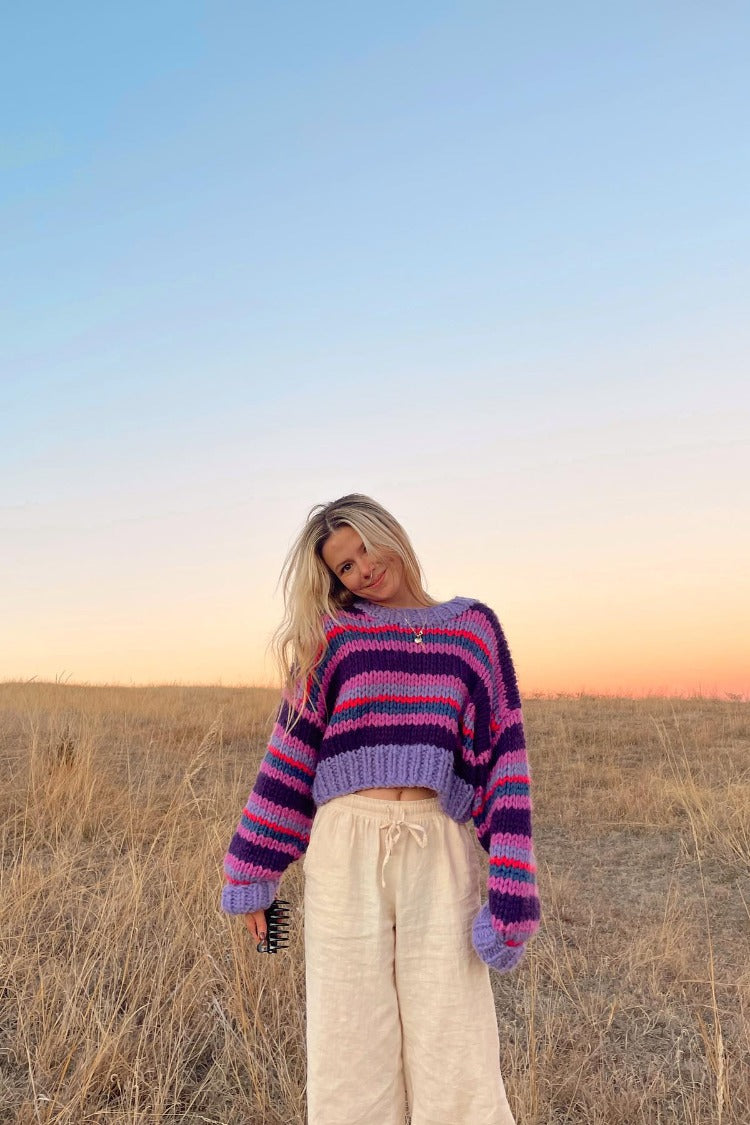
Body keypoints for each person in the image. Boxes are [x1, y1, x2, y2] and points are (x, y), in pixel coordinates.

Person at [221, 493, 541, 1125]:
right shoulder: (333, 637)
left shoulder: (474, 628)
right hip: (345, 850)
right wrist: (250, 873)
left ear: (390, 533)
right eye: (344, 567)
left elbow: (505, 758)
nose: (363, 569)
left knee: (454, 1041)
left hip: (439, 848)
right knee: (348, 1042)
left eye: (365, 547)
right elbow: (291, 756)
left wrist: (514, 887)